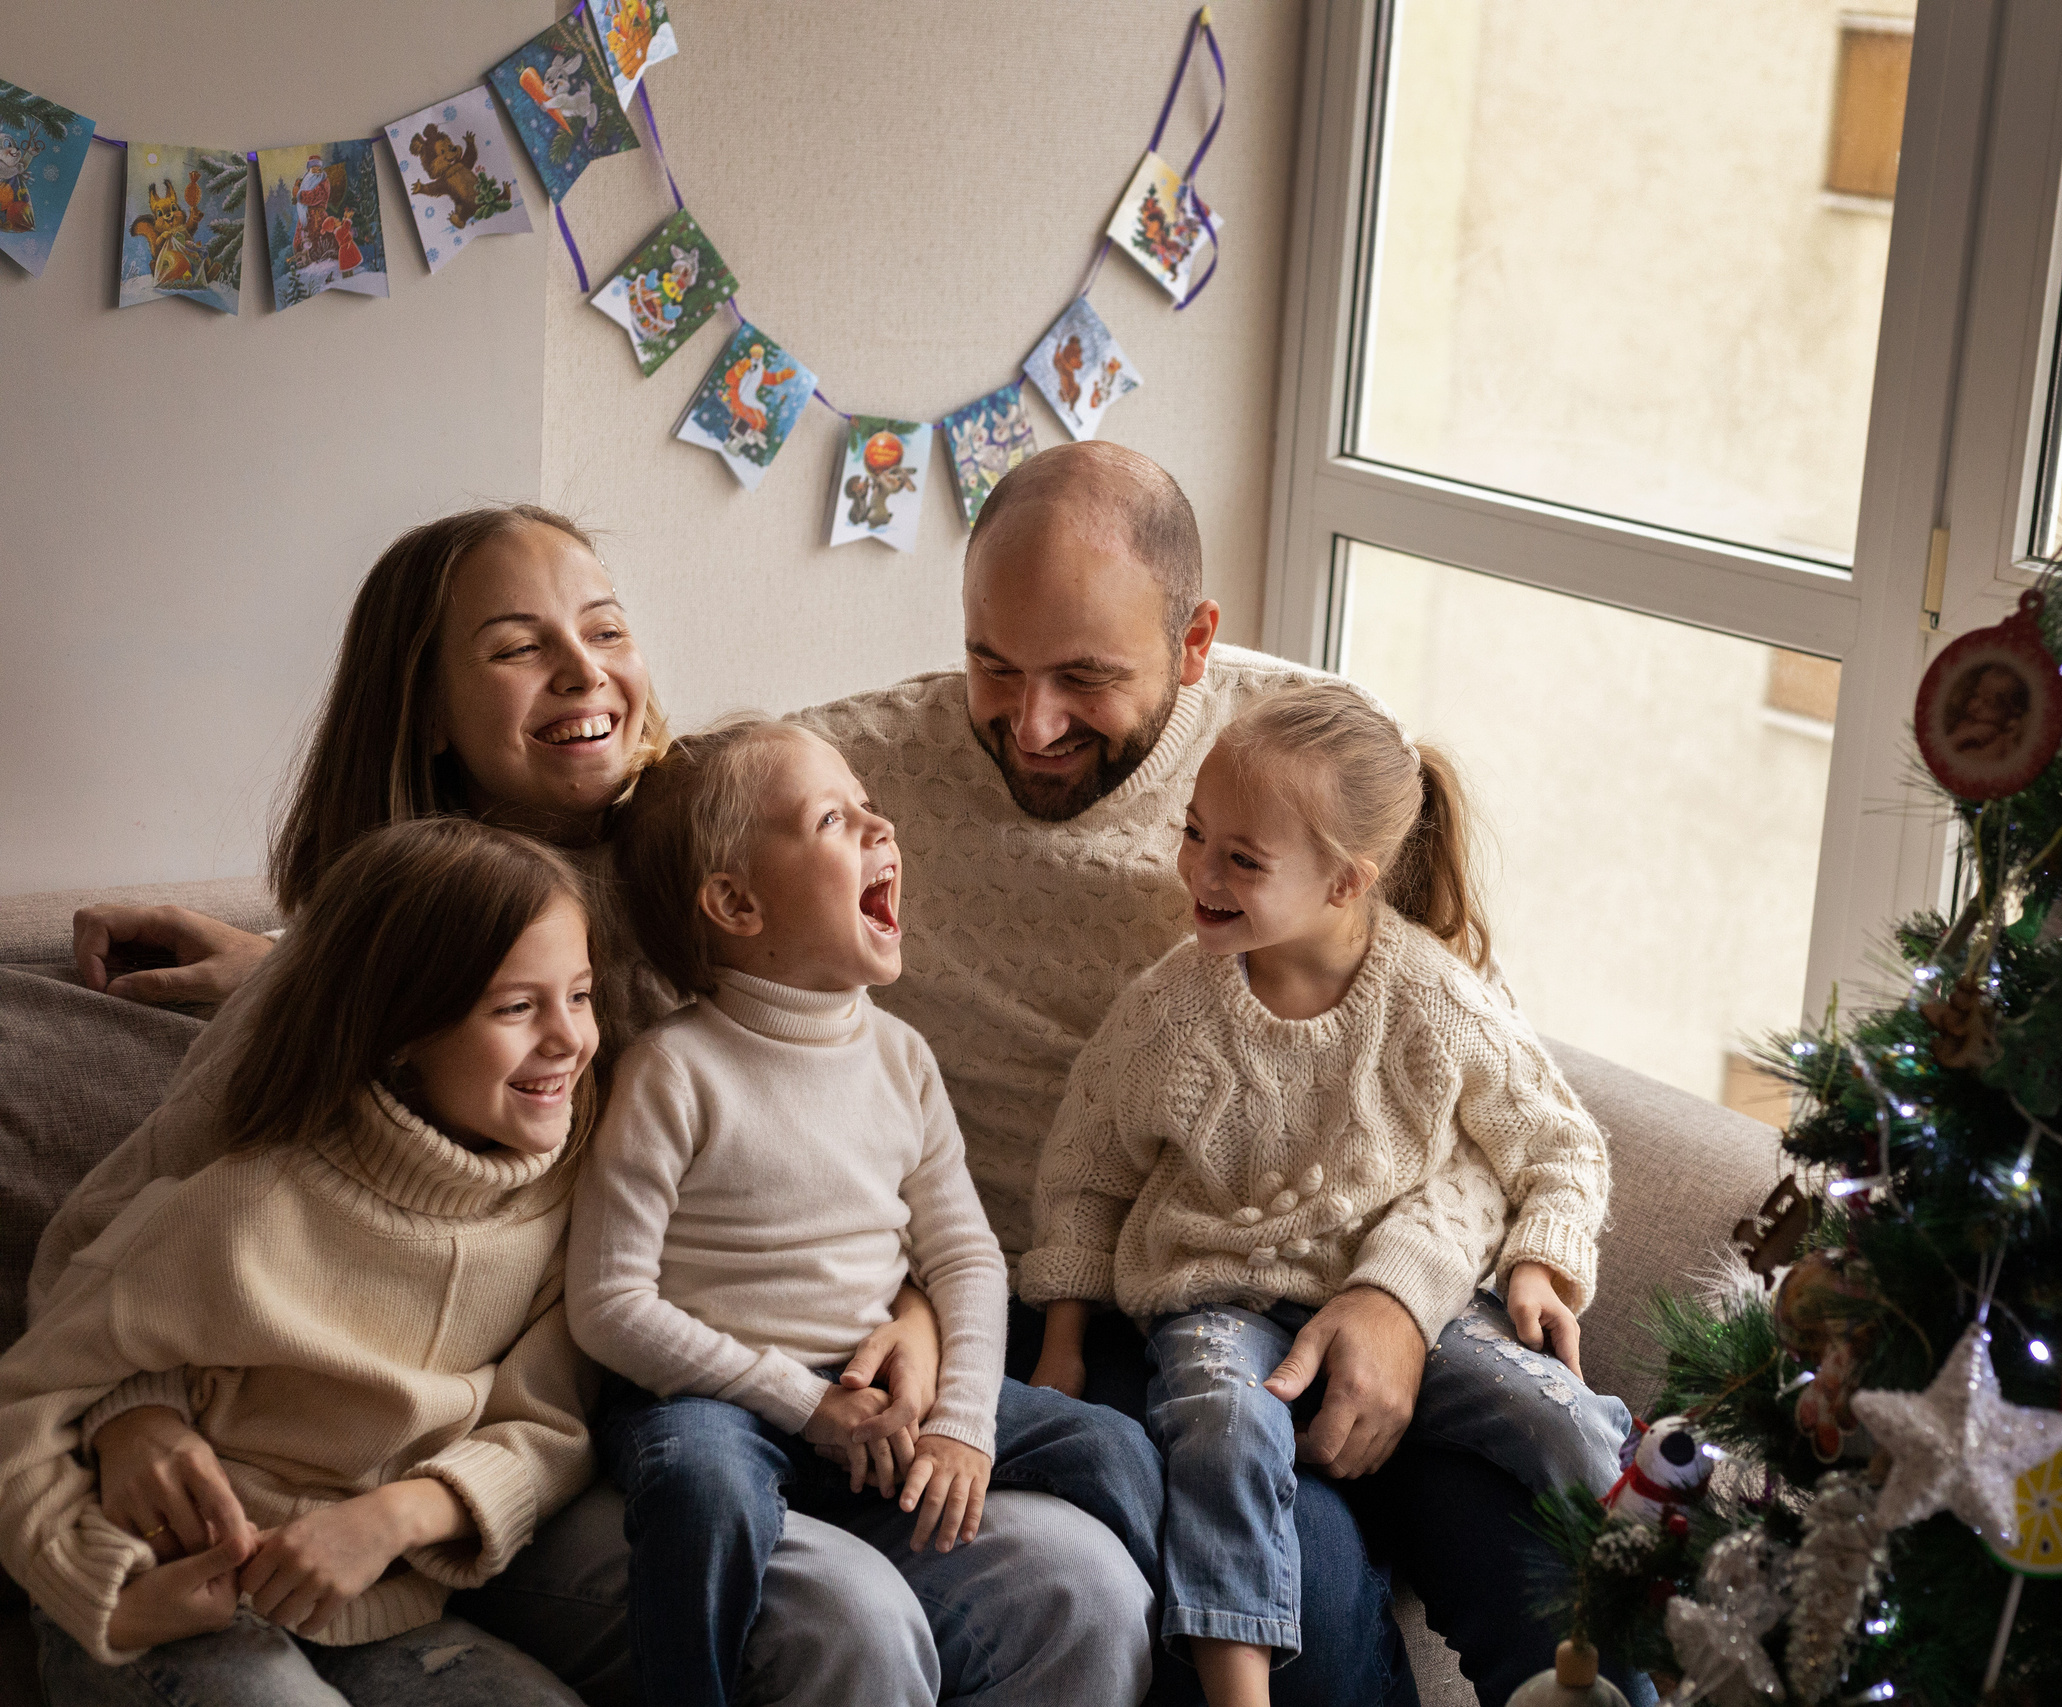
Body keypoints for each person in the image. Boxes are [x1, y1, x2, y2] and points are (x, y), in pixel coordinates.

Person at [38, 504, 1135, 1704]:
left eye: (604, 627)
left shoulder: (718, 891)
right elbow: (113, 1237)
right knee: (837, 1614)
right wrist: (131, 1414)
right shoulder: (371, 954)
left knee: (1078, 1578)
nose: (580, 670)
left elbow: (844, 1157)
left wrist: (922, 1316)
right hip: (556, 1445)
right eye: (515, 648)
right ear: (422, 711)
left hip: (716, 1404)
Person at [798, 441, 1647, 1705]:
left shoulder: (1306, 768)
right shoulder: (855, 782)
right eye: (994, 664)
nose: (1031, 725)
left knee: (1544, 1567)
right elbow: (651, 826)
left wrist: (1402, 1300)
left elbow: (1479, 1101)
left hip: (1372, 1269)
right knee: (1296, 1579)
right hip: (1148, 1302)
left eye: (1085, 676)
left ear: (1194, 642)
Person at [1022, 684, 1628, 1706]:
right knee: (1219, 1428)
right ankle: (1238, 1688)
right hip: (1219, 1301)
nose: (1199, 873)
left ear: (1347, 882)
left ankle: (1650, 1566)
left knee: (1550, 1411)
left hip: (1411, 1306)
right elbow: (1085, 1177)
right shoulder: (1170, 1011)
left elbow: (1556, 1142)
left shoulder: (1434, 997)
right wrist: (1062, 1340)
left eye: (1241, 860)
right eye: (1195, 837)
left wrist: (1538, 1260)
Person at [569, 719, 1158, 1706]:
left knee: (1113, 1445)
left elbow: (964, 1254)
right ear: (736, 902)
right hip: (718, 1403)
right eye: (834, 819)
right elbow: (607, 1305)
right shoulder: (673, 1071)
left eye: (866, 804)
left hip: (881, 1388)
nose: (882, 824)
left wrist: (962, 1423)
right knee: (700, 1491)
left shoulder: (900, 1057)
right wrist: (804, 1406)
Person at [1, 818, 595, 1705]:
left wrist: (398, 1517)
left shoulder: (566, 1193)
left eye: (580, 995)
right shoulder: (246, 1206)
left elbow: (550, 1426)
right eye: (516, 1007)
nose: (568, 1038)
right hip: (172, 1606)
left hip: (383, 1605)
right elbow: (30, 1392)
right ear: (401, 1033)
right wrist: (114, 1601)